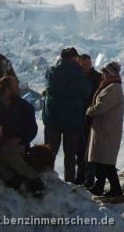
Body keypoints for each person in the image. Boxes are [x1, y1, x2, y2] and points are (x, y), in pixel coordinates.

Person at [0, 77, 44, 196]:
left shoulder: (24, 107)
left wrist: (21, 139)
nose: (18, 89)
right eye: (15, 87)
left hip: (16, 141)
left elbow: (32, 128)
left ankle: (34, 179)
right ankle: (11, 178)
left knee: (6, 152)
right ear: (7, 90)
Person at [43, 48, 91, 183]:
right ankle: (69, 182)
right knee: (70, 156)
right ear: (74, 58)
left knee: (49, 153)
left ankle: (48, 181)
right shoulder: (79, 74)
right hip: (72, 119)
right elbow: (86, 91)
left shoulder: (51, 71)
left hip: (52, 118)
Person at [86, 61, 124, 197]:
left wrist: (89, 110)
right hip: (104, 128)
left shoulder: (113, 88)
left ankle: (115, 189)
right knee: (101, 161)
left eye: (104, 73)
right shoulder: (111, 86)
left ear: (110, 74)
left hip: (107, 129)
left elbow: (101, 106)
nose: (102, 75)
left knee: (106, 162)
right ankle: (99, 185)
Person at [75, 54, 102, 186]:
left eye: (88, 64)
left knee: (89, 151)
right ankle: (80, 176)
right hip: (77, 119)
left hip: (91, 119)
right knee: (79, 151)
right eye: (83, 65)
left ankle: (90, 178)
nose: (86, 67)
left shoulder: (97, 78)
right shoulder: (75, 77)